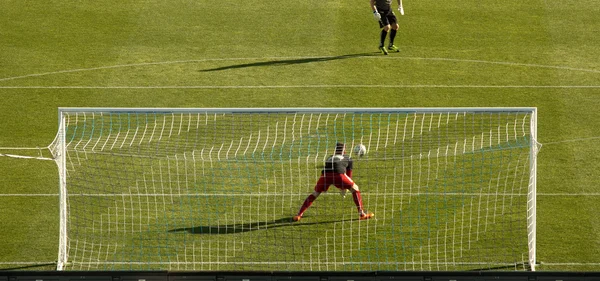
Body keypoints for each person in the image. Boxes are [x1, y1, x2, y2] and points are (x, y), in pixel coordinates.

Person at [293, 142, 374, 221]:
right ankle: (362, 214)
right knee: (355, 188)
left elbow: (328, 171)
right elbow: (348, 176)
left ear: (335, 150)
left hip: (324, 176)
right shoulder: (348, 158)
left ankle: (299, 214)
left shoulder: (329, 157)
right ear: (344, 151)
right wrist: (344, 188)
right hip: (339, 175)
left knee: (315, 194)